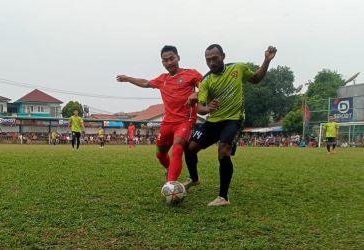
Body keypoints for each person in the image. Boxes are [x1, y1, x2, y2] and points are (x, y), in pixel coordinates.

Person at [184, 44, 277, 206]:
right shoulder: (206, 81)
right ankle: (194, 179)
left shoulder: (238, 68)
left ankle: (223, 197)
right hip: (213, 121)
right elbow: (200, 108)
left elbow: (256, 79)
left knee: (223, 150)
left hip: (234, 119)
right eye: (208, 60)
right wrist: (208, 108)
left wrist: (266, 61)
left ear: (223, 56)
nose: (211, 63)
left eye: (215, 58)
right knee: (189, 147)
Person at [117, 45, 202, 182]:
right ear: (162, 63)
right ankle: (169, 169)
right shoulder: (162, 79)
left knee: (177, 147)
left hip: (185, 121)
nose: (169, 62)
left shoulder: (191, 74)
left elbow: (207, 86)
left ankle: (171, 183)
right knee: (160, 154)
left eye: (171, 58)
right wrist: (127, 78)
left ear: (178, 58)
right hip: (167, 122)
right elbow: (145, 83)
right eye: (165, 60)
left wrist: (196, 93)